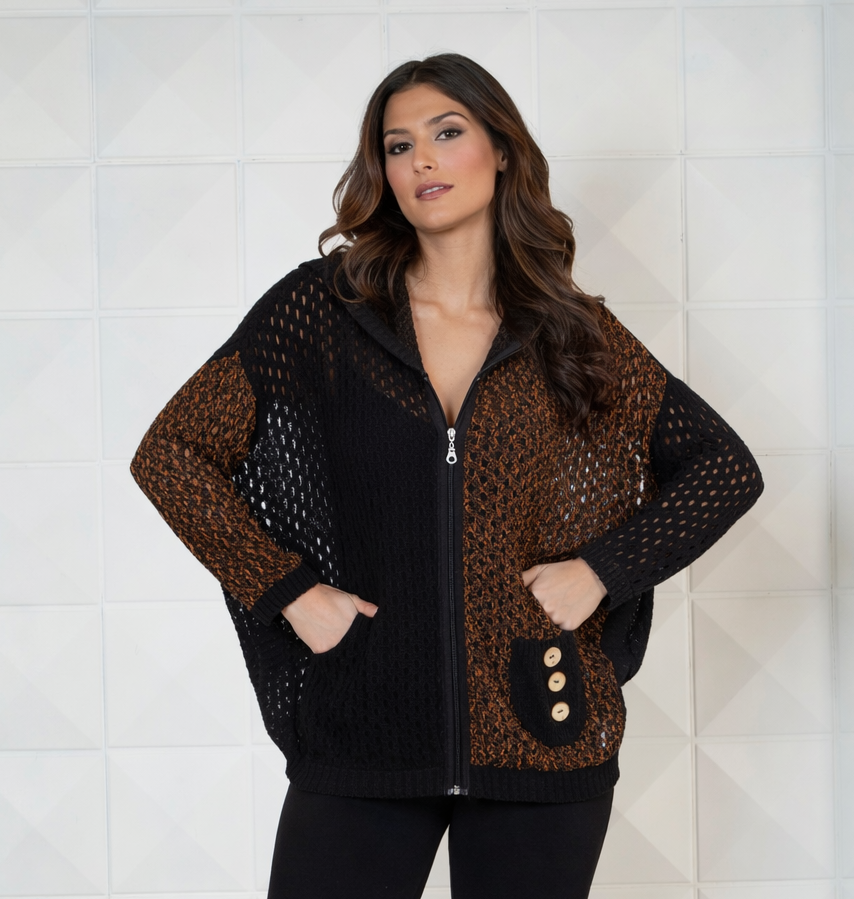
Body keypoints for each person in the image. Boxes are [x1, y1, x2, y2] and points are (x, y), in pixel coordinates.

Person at [130, 53, 763, 899]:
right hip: (365, 722)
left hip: (541, 729)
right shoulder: (321, 312)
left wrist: (600, 570)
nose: (421, 158)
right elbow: (172, 453)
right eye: (398, 146)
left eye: (447, 132)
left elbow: (724, 469)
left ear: (501, 150)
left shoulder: (571, 332)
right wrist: (292, 592)